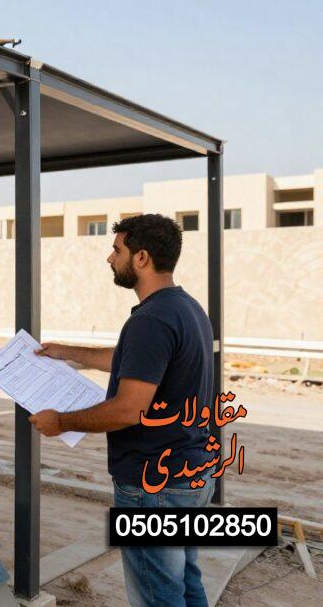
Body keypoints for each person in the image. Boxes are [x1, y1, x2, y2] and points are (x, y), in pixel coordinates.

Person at [28, 214, 214, 607]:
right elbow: (134, 361)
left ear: (141, 258)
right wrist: (67, 351)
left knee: (158, 596)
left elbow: (129, 409)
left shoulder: (152, 319)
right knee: (186, 584)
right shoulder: (186, 308)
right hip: (190, 475)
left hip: (155, 488)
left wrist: (60, 422)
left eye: (117, 250)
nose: (109, 258)